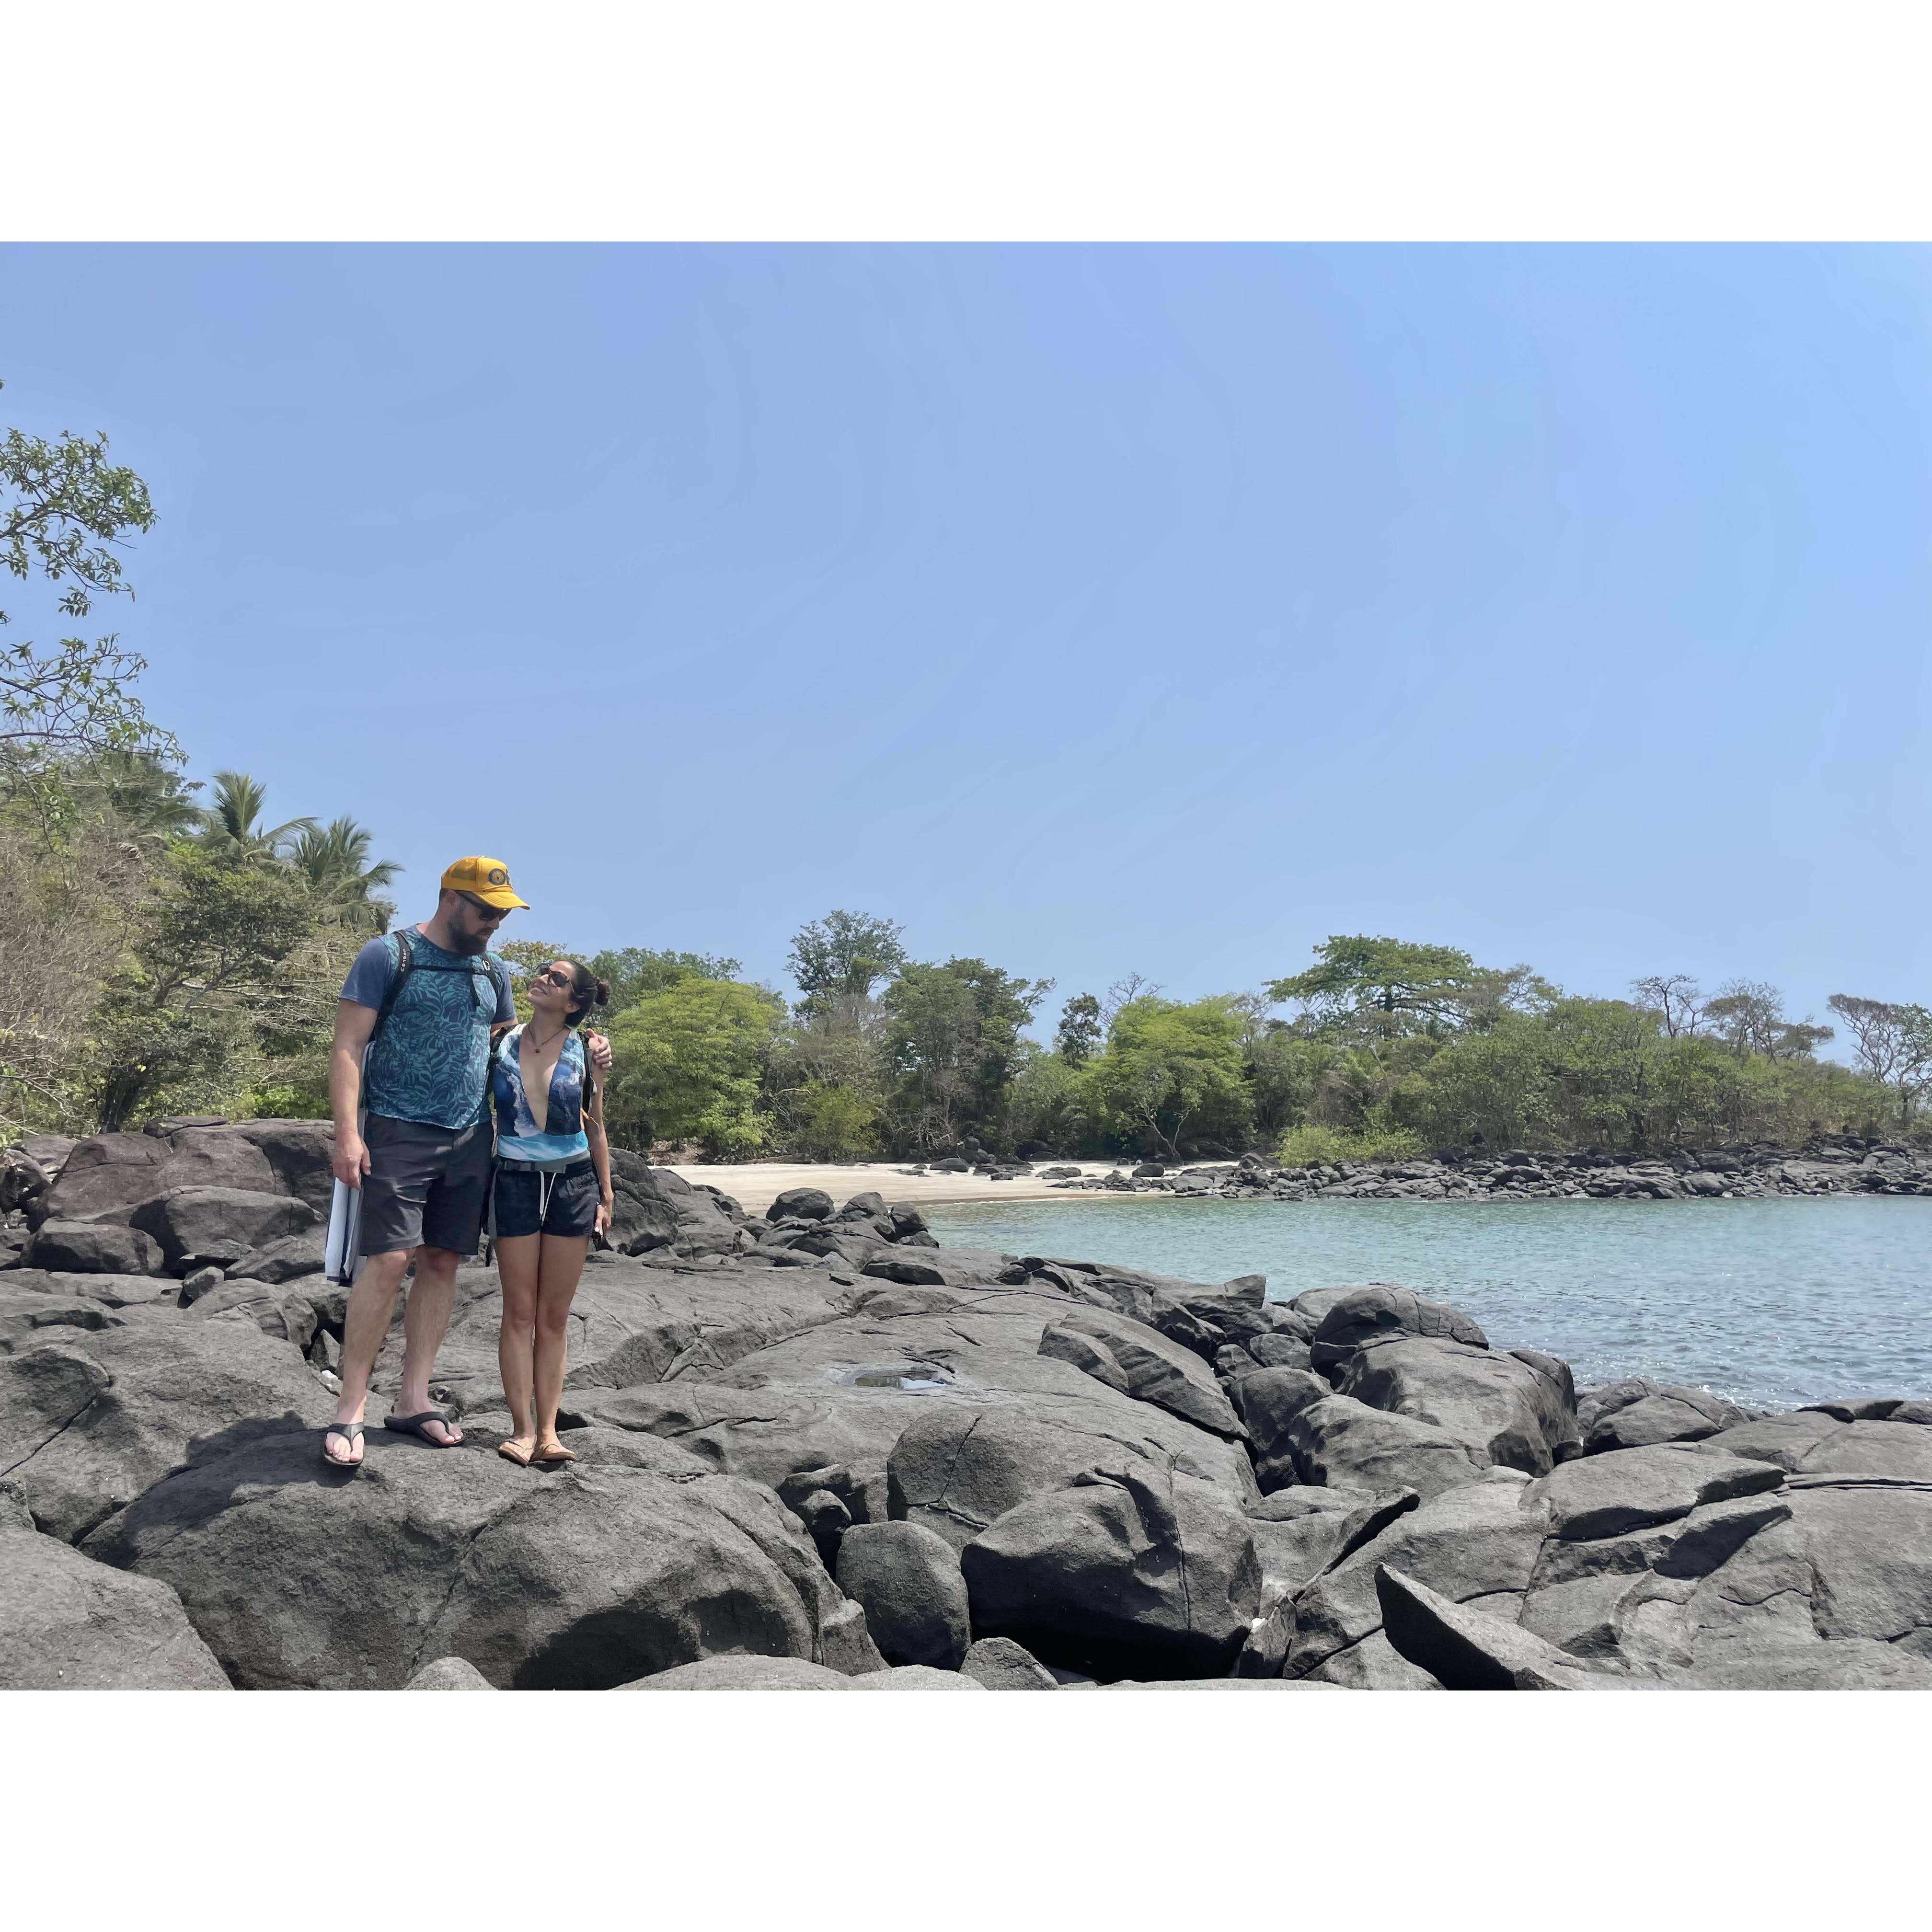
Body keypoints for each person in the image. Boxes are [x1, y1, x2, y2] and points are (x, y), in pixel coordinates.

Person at [322, 857, 610, 1469]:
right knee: (389, 1259)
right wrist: (348, 1134)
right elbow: (348, 1045)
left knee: (444, 1260)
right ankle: (351, 1407)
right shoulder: (388, 955)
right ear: (451, 899)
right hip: (398, 1127)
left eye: (503, 912)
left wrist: (591, 1044)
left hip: (472, 1135)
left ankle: (413, 1398)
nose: (495, 923)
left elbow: (514, 1045)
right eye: (486, 911)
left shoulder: (492, 970)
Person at [491, 958, 615, 1466]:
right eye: (543, 971)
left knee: (554, 1317)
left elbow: (596, 1125)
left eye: (557, 978)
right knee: (519, 1312)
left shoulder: (588, 1050)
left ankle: (549, 1432)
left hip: (574, 1183)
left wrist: (607, 1196)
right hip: (514, 1181)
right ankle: (521, 1430)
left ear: (573, 1001)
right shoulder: (499, 1038)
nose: (543, 977)